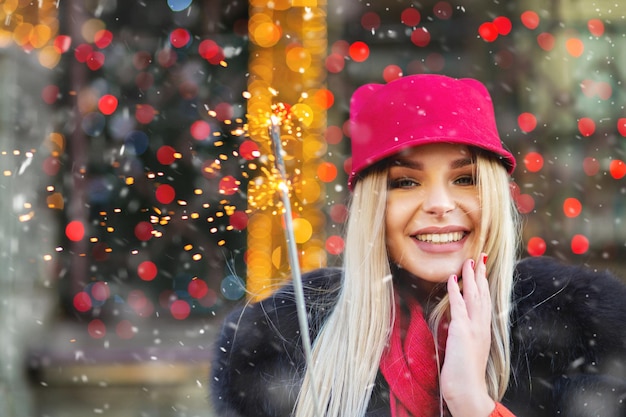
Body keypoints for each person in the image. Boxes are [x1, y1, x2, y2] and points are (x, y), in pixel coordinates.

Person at [209, 74, 626, 417]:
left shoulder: (581, 331)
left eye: (464, 179)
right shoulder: (283, 343)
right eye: (406, 182)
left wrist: (473, 404)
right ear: (374, 205)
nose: (441, 205)